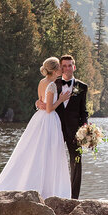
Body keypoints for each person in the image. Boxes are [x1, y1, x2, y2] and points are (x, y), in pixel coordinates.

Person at [0, 57, 71, 199]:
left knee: (34, 150)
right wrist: (61, 99)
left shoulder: (42, 82)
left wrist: (38, 103)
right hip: (48, 120)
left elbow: (40, 101)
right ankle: (47, 189)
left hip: (38, 118)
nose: (61, 69)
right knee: (48, 152)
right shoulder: (52, 85)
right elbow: (49, 109)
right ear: (54, 70)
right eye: (59, 67)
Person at [37, 54, 88, 199]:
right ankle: (52, 194)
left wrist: (85, 129)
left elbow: (83, 111)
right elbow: (43, 101)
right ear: (60, 67)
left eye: (69, 65)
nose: (67, 68)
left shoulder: (82, 87)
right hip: (55, 128)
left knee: (76, 162)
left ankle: (74, 198)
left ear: (74, 67)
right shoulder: (53, 83)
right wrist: (36, 104)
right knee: (52, 160)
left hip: (75, 131)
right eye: (64, 66)